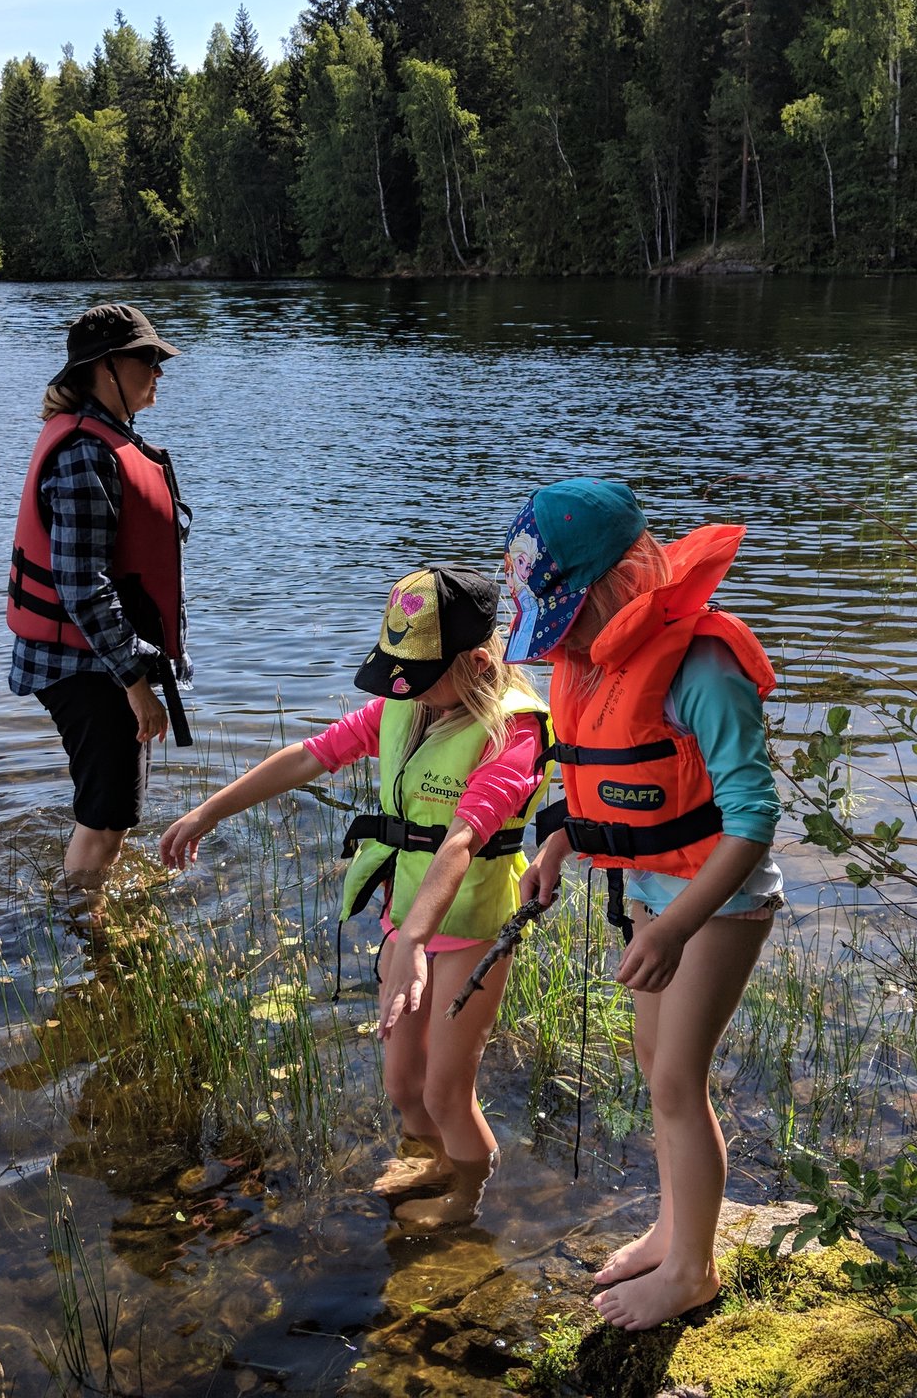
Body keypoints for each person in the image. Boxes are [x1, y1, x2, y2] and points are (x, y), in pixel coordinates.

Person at [160, 566, 552, 1228]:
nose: (404, 688)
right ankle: (427, 1159)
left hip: (468, 929)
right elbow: (311, 755)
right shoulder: (409, 704)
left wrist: (417, 940)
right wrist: (209, 812)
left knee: (447, 1092)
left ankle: (466, 1202)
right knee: (402, 1084)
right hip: (407, 923)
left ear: (477, 664)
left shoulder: (512, 733)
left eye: (417, 675)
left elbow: (462, 838)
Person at [503, 478, 782, 1331]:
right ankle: (674, 1227)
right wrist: (556, 847)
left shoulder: (702, 668)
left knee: (675, 1080)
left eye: (569, 620)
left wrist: (677, 928)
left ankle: (693, 1270)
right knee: (653, 1063)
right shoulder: (595, 662)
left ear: (617, 587)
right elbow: (604, 789)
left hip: (718, 901)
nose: (564, 643)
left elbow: (753, 819)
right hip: (659, 893)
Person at [7, 303, 193, 916]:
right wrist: (136, 684)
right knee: (108, 815)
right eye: (148, 359)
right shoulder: (85, 454)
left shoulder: (105, 439)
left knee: (113, 810)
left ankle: (88, 912)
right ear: (105, 367)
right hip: (85, 664)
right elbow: (82, 585)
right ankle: (86, 932)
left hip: (99, 657)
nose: (159, 371)